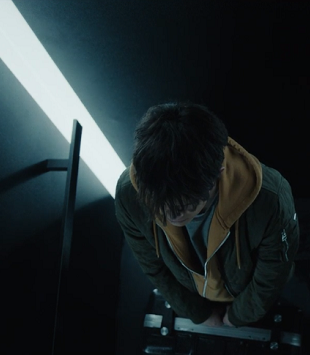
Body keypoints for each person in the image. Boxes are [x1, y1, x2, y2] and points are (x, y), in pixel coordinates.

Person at [115, 102, 299, 328]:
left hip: (247, 295)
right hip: (194, 294)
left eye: (184, 204)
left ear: (217, 175)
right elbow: (152, 266)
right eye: (159, 202)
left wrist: (240, 315)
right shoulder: (129, 194)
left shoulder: (272, 199)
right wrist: (196, 311)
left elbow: (273, 272)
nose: (169, 215)